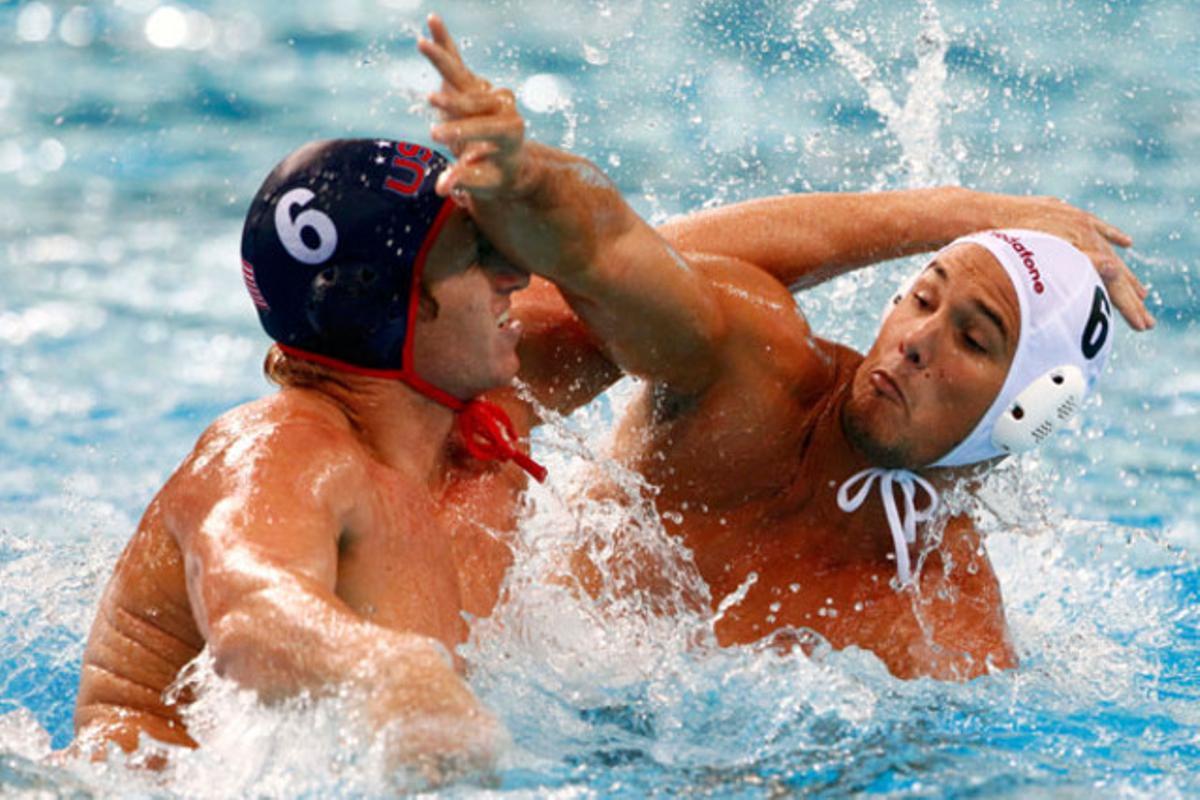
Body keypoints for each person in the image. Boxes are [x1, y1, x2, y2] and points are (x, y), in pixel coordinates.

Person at [417, 17, 1153, 681]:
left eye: (973, 338)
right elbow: (611, 257)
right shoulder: (756, 371)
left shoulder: (946, 629)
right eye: (923, 300)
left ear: (1026, 411)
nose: (918, 340)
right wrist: (528, 177)